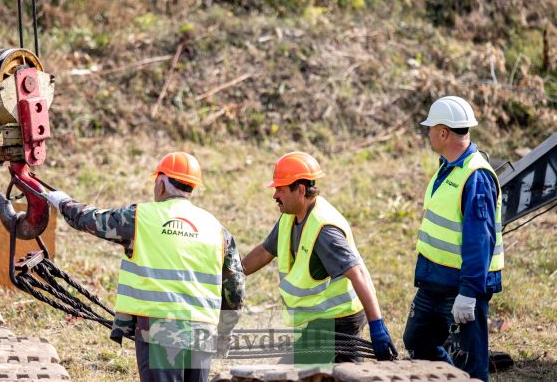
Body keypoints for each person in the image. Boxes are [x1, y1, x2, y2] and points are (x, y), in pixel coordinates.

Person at [43, 152, 245, 382]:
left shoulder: (141, 217)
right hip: (202, 333)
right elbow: (235, 290)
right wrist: (224, 332)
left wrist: (62, 201)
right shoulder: (217, 229)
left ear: (160, 183)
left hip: (159, 331)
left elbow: (93, 220)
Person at [242, 152, 397, 363]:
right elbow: (264, 252)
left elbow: (358, 272)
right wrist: (233, 274)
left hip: (339, 319)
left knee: (292, 374)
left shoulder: (324, 229)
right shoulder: (289, 218)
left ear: (301, 190)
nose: (274, 195)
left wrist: (377, 326)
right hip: (320, 320)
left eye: (280, 189)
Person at [402, 96, 504, 382]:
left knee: (470, 363)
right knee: (417, 341)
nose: (428, 133)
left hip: (461, 287)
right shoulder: (448, 166)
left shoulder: (475, 176)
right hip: (434, 281)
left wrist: (469, 293)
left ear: (444, 132)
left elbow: (479, 242)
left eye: (431, 128)